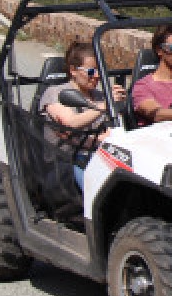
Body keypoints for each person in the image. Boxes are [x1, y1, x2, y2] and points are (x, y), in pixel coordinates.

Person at [39, 42, 126, 189]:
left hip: (98, 157)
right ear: (73, 70)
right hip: (64, 162)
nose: (97, 76)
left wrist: (119, 106)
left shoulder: (100, 96)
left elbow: (115, 133)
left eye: (100, 71)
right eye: (91, 71)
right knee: (99, 188)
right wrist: (105, 106)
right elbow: (70, 123)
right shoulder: (56, 93)